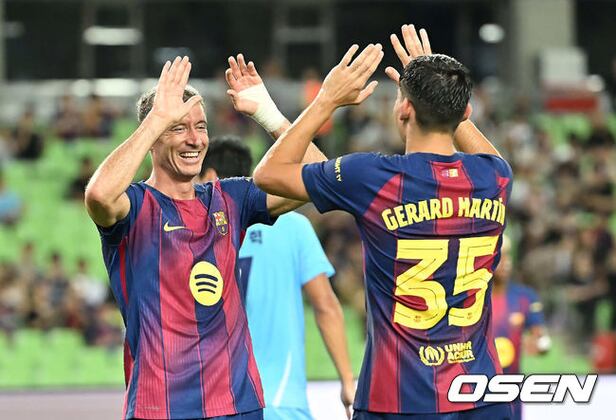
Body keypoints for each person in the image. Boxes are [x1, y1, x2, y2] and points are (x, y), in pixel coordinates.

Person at [252, 25, 513, 419]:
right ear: (465, 113)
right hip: (482, 397)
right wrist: (438, 93)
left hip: (397, 400)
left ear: (404, 109)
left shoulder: (373, 176)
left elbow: (268, 174)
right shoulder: (494, 178)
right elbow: (491, 156)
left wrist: (325, 101)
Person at [84, 55, 343, 419]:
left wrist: (270, 116)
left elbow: (322, 179)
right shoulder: (136, 206)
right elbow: (98, 195)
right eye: (178, 128)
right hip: (160, 406)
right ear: (153, 138)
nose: (194, 139)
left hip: (238, 404)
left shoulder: (230, 198)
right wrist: (156, 119)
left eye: (201, 127)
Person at [200, 135, 355, 420]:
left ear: (209, 176)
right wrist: (347, 380)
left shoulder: (196, 235)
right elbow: (325, 305)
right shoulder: (294, 226)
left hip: (218, 401)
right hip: (282, 400)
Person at [492, 236, 550, 420]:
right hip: (476, 389)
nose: (506, 262)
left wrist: (539, 344)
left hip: (512, 391)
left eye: (508, 256)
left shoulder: (525, 297)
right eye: (500, 256)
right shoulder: (472, 298)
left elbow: (541, 338)